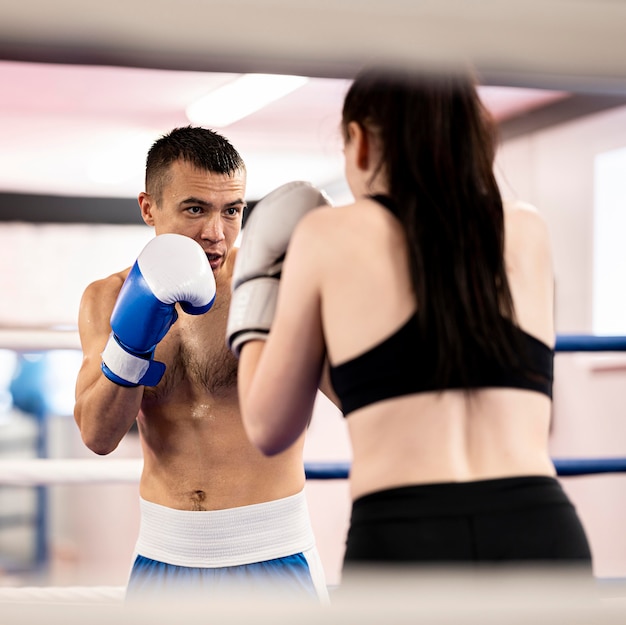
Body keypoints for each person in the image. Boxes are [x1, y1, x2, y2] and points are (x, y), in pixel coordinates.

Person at [229, 67, 593, 575]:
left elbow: (269, 427)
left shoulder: (330, 234)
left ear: (359, 142)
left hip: (407, 534)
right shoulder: (528, 230)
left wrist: (256, 286)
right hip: (538, 526)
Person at [73, 126, 328, 603]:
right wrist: (132, 346)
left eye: (232, 211)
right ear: (149, 207)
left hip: (271, 552)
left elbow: (361, 395)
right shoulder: (106, 298)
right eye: (195, 209)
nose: (216, 234)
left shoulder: (270, 287)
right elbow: (97, 436)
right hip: (163, 557)